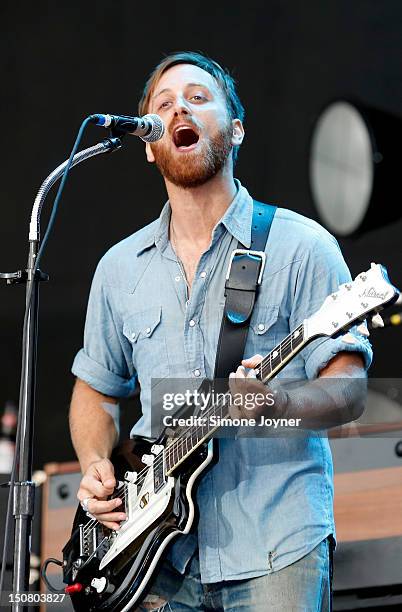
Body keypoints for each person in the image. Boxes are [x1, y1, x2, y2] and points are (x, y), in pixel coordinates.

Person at [69, 51, 372, 611]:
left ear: (235, 131)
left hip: (277, 545)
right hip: (154, 562)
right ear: (148, 143)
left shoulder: (302, 247)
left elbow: (349, 390)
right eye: (164, 104)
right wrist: (95, 466)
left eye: (198, 98)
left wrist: (277, 403)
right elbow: (95, 387)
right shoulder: (119, 267)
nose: (179, 106)